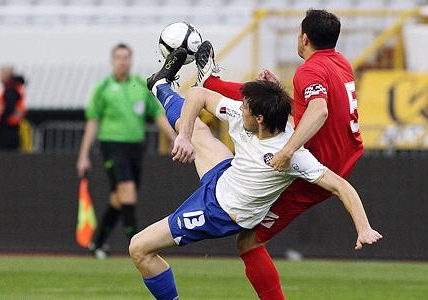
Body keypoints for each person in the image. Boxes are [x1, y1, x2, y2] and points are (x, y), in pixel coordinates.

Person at [129, 48, 382, 300]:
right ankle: (160, 85)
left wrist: (364, 228)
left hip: (219, 213)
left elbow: (341, 186)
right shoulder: (246, 114)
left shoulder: (292, 154)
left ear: (260, 118)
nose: (241, 107)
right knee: (196, 131)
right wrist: (182, 137)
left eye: (246, 106)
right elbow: (198, 94)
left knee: (139, 248)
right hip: (224, 176)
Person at [194, 9, 365, 299]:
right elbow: (318, 109)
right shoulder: (341, 64)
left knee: (248, 242)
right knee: (266, 101)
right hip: (342, 154)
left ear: (304, 38)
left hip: (315, 168)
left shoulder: (309, 70)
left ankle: (210, 83)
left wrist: (287, 150)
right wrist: (280, 92)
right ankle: (211, 83)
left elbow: (319, 110)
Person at [76, 43, 177, 259]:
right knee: (127, 191)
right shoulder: (102, 87)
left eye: (126, 57)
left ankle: (97, 243)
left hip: (135, 147)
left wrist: (174, 137)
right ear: (112, 61)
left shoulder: (140, 85)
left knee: (119, 198)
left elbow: (157, 115)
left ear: (131, 60)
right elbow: (92, 122)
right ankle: (138, 244)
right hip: (111, 145)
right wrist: (84, 155)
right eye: (119, 57)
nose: (123, 61)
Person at [0, 66, 26, 151]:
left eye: (1, 73)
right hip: (7, 130)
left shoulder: (11, 90)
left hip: (6, 131)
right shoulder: (12, 89)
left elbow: (9, 108)